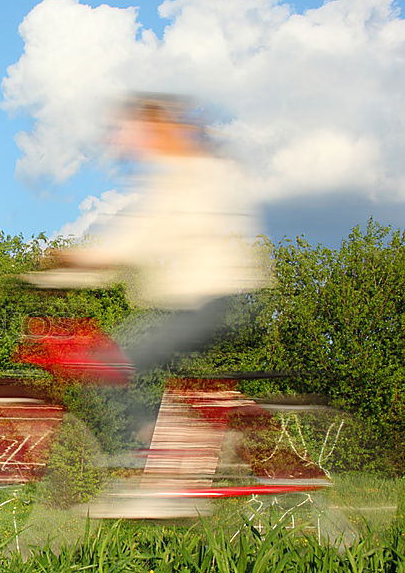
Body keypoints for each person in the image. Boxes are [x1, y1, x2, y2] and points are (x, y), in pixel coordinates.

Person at [26, 93, 270, 374]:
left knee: (118, 366)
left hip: (207, 303)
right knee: (119, 362)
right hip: (200, 303)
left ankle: (148, 420)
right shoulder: (182, 174)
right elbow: (126, 251)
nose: (123, 141)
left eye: (130, 131)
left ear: (155, 130)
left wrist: (66, 262)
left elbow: (129, 246)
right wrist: (59, 277)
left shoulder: (183, 178)